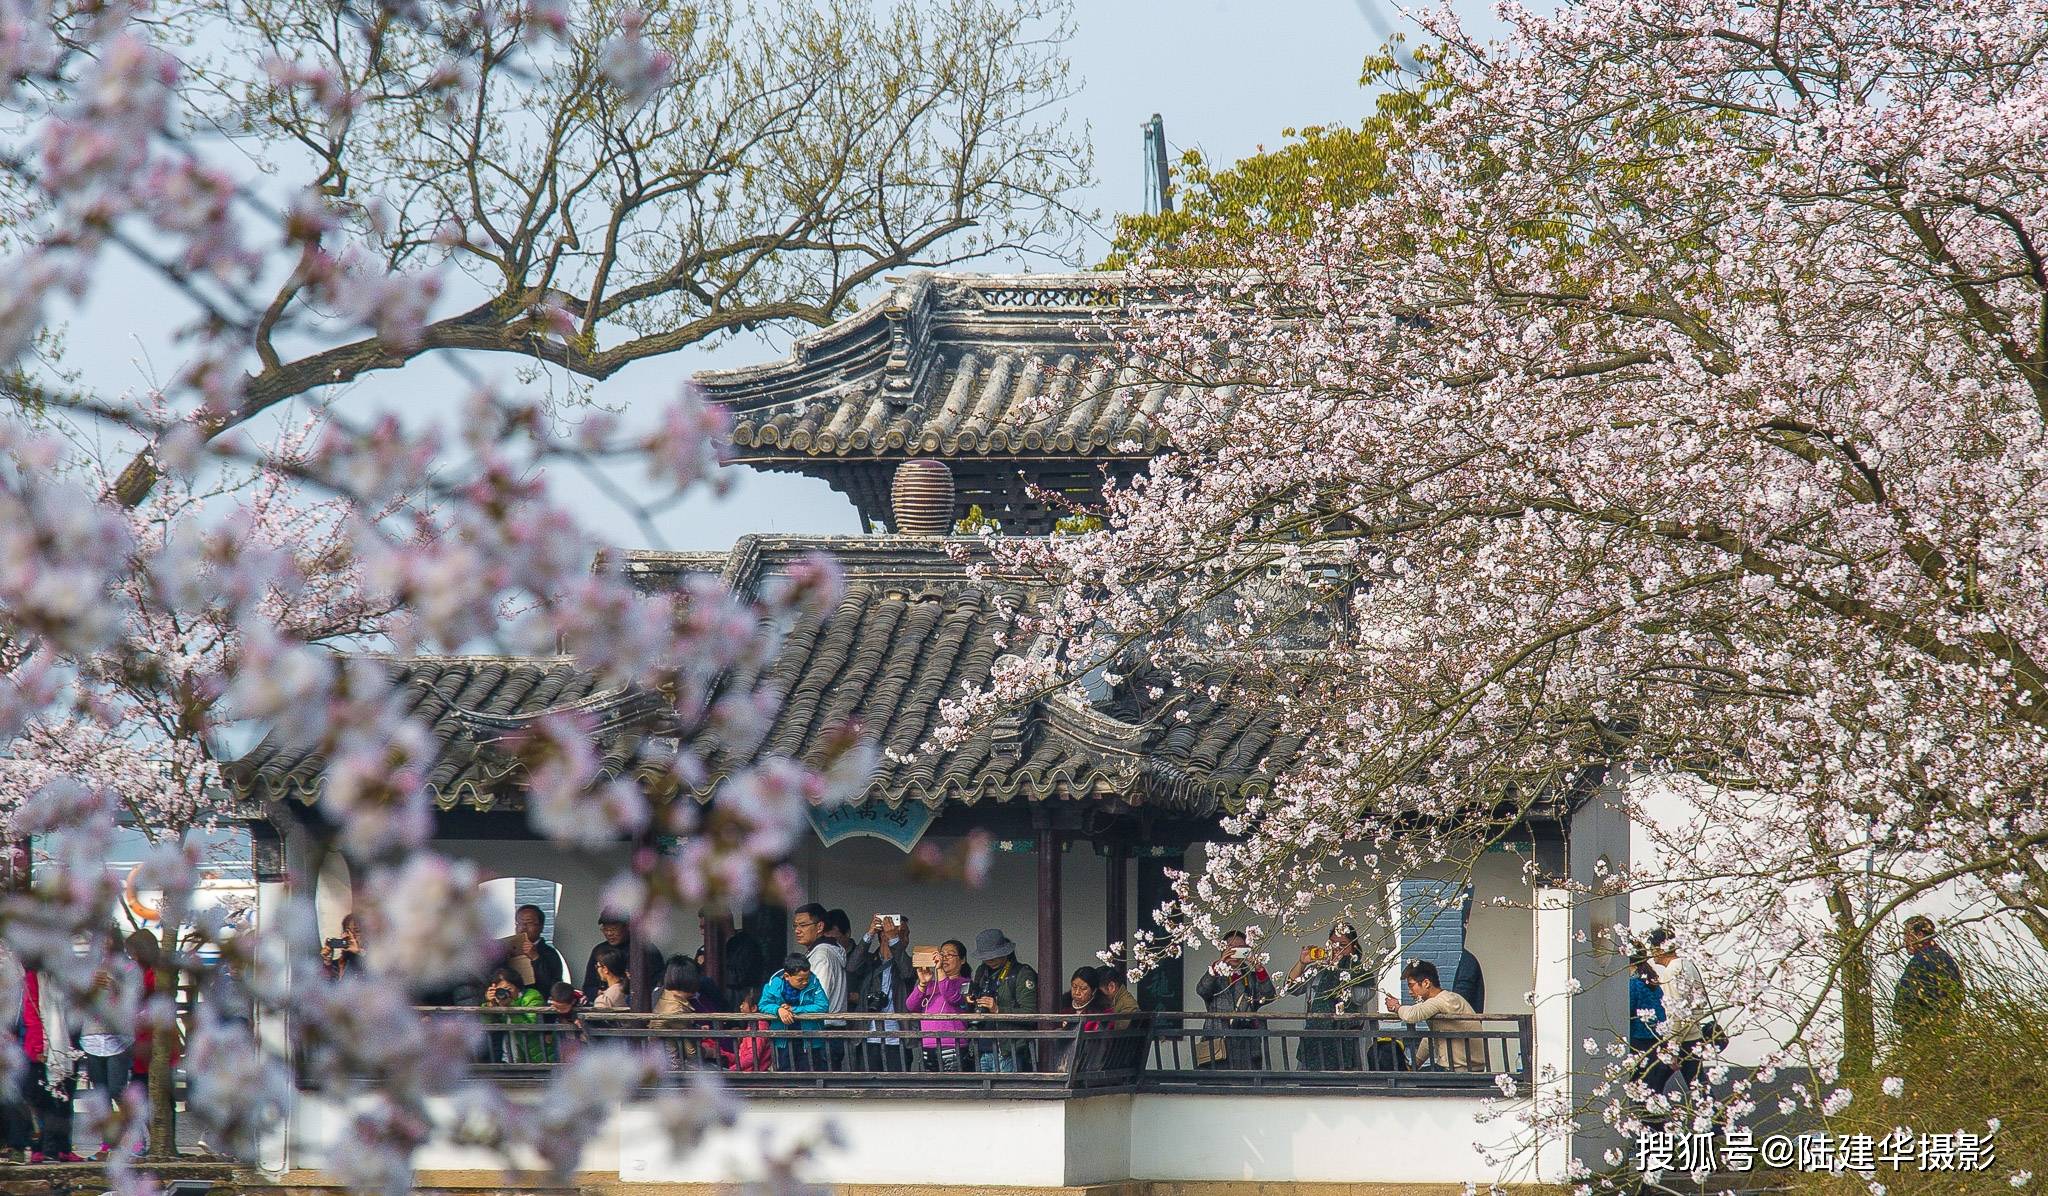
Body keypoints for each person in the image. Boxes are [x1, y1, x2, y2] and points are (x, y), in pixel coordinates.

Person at [4, 954, 83, 1163]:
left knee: (62, 1096)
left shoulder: (57, 979)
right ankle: (43, 1146)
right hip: (39, 1045)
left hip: (61, 1043)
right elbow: (32, 1015)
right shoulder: (31, 979)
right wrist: (40, 1046)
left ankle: (60, 1147)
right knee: (40, 1098)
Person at [1284, 921, 1370, 1071]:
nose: (1336, 948)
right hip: (1313, 1039)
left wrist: (1341, 969)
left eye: (1342, 944)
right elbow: (1291, 988)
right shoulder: (1318, 970)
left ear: (1353, 947)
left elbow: (1361, 996)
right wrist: (1302, 963)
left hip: (1347, 1044)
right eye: (1332, 944)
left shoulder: (1361, 971)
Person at [79, 933, 137, 1155]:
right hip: (92, 1035)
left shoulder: (127, 969)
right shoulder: (87, 969)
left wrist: (115, 987)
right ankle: (107, 1141)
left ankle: (131, 1136)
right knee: (100, 1093)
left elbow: (132, 999)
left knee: (117, 1089)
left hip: (117, 1038)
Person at [1641, 928, 1710, 1103]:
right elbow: (1700, 999)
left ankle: (1652, 1121)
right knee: (1698, 1086)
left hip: (1680, 1039)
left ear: (1660, 949)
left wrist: (1671, 1047)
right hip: (1693, 1034)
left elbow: (1675, 1012)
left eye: (1653, 948)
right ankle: (1717, 1122)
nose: (1651, 953)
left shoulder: (1672, 972)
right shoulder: (1689, 965)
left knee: (1650, 1086)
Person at [1383, 959, 1485, 1071]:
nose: (1410, 992)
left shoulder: (1444, 1000)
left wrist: (1396, 1007)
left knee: (1407, 1082)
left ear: (1426, 983)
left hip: (1460, 1069)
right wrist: (1415, 1064)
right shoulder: (1447, 999)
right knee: (1410, 1078)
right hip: (1462, 1068)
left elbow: (1412, 1015)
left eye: (1411, 985)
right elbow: (1430, 1039)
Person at [1195, 930, 1276, 1069]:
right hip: (1217, 1039)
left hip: (1247, 1042)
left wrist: (1259, 968)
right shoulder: (1215, 975)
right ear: (1223, 949)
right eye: (1230, 947)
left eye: (1240, 949)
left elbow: (1269, 996)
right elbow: (1202, 990)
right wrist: (1219, 964)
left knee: (1247, 1084)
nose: (1235, 952)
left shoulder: (1250, 977)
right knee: (1214, 1084)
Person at [846, 913, 915, 1071]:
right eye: (901, 933)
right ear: (883, 934)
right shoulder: (869, 961)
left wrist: (894, 940)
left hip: (898, 1036)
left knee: (897, 1087)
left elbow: (907, 973)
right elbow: (851, 967)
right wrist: (870, 933)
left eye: (906, 934)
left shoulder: (908, 962)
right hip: (868, 1035)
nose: (906, 939)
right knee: (867, 1086)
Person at [968, 928, 1039, 1073]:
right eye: (986, 956)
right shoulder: (982, 972)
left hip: (1009, 1049)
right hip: (982, 1047)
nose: (990, 960)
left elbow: (1031, 1014)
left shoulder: (1022, 973)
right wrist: (972, 1000)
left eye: (994, 955)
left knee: (1008, 1093)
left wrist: (998, 1010)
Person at [790, 904, 847, 1065]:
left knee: (814, 1087)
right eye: (795, 926)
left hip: (822, 1033)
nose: (797, 930)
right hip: (825, 1032)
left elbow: (818, 997)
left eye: (803, 925)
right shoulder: (822, 952)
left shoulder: (822, 955)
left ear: (820, 926)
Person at [904, 939, 972, 1072]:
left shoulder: (965, 983)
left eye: (949, 955)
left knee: (953, 1089)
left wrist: (939, 970)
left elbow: (952, 997)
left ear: (962, 960)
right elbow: (910, 1006)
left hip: (953, 1046)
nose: (944, 958)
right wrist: (923, 983)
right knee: (931, 1090)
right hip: (928, 1045)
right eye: (942, 954)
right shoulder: (931, 984)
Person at [1892, 914, 1963, 1040]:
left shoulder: (1920, 961)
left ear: (1920, 935)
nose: (1904, 942)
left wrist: (1901, 1015)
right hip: (1947, 1032)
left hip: (1921, 1034)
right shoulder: (1947, 959)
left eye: (1907, 936)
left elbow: (1906, 997)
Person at [758, 953, 831, 1071]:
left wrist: (794, 1010)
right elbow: (763, 1005)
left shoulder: (814, 983)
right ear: (787, 976)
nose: (805, 982)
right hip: (783, 1039)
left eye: (807, 978)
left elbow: (823, 1006)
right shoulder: (774, 985)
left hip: (810, 1038)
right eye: (800, 980)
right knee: (785, 1071)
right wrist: (778, 1010)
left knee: (810, 1072)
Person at [580, 911, 664, 1009]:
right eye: (605, 929)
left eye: (614, 929)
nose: (609, 933)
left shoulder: (645, 950)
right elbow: (588, 986)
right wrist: (599, 993)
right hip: (605, 1004)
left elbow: (656, 985)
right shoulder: (599, 951)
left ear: (627, 927)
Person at [653, 957, 720, 1069]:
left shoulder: (662, 995)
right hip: (675, 1065)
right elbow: (691, 1052)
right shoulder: (678, 1010)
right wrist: (710, 1052)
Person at [499, 904, 570, 998]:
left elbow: (552, 985)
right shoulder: (508, 950)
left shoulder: (549, 953)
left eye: (529, 923)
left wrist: (536, 958)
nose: (523, 927)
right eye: (519, 923)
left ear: (541, 927)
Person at [481, 966, 546, 1064]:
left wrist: (510, 1007)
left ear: (517, 986)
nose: (504, 993)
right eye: (500, 990)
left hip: (536, 1057)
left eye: (508, 988)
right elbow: (486, 1024)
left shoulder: (531, 996)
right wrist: (490, 1005)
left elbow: (530, 1027)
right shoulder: (499, 1001)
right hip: (510, 1058)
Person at [1626, 951, 1666, 1083]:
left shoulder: (1633, 984)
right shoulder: (1652, 982)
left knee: (1638, 1081)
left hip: (1639, 1037)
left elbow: (1627, 1010)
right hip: (1656, 1036)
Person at [733, 988, 774, 1072]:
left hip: (752, 1073)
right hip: (747, 1070)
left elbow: (753, 1056)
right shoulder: (753, 1025)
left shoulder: (759, 1026)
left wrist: (732, 1069)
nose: (741, 1006)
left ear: (754, 1008)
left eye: (744, 1004)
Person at [320, 913, 365, 980]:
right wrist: (328, 963)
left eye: (357, 931)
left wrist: (358, 952)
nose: (351, 936)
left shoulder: (374, 962)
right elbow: (326, 985)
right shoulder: (338, 964)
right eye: (347, 931)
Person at [589, 946, 630, 1011]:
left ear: (605, 969)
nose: (597, 970)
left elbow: (598, 1020)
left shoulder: (605, 999)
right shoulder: (631, 989)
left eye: (598, 966)